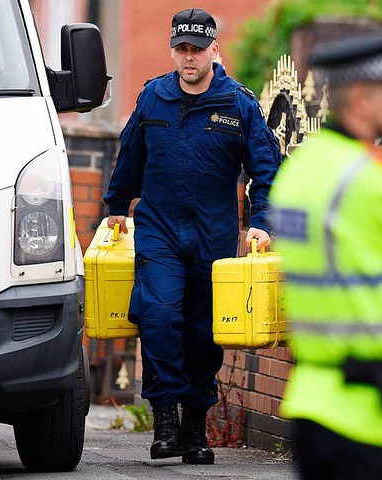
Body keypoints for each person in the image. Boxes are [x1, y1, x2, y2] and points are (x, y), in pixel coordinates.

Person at [103, 7, 281, 464]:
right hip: (160, 231)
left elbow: (266, 167)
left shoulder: (237, 103)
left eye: (197, 50)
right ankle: (164, 416)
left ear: (213, 50)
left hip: (213, 237)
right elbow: (131, 154)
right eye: (181, 49)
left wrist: (260, 218)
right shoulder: (153, 97)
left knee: (203, 334)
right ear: (173, 50)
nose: (188, 58)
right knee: (159, 317)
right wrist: (117, 206)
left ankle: (195, 428)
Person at [270, 27, 382, 480]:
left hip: (315, 402)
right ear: (362, 99)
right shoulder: (374, 184)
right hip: (375, 419)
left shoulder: (300, 174)